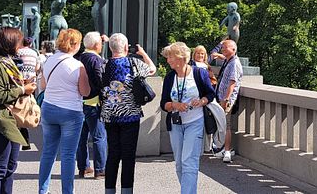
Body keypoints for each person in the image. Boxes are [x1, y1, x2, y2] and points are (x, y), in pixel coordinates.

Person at [101, 33, 156, 194]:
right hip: (130, 115)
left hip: (109, 115)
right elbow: (152, 69)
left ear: (110, 48)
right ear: (126, 47)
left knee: (112, 155)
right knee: (128, 156)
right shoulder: (134, 63)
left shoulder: (103, 65)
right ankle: (127, 191)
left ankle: (109, 190)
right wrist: (143, 53)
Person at [0, 27, 37, 194]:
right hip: (2, 121)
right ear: (9, 42)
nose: (20, 45)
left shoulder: (7, 61)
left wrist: (23, 84)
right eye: (18, 41)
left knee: (10, 167)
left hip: (12, 120)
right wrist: (22, 90)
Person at [38, 29, 90, 194]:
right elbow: (85, 91)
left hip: (49, 108)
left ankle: (42, 190)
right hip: (70, 112)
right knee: (68, 155)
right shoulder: (77, 65)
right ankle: (67, 191)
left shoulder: (48, 61)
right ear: (74, 44)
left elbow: (44, 86)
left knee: (48, 152)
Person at [161, 42, 215, 194]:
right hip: (175, 124)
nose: (168, 60)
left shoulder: (199, 73)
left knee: (189, 162)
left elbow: (210, 94)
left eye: (170, 57)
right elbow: (163, 103)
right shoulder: (170, 77)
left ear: (180, 58)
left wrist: (202, 101)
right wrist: (173, 105)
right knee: (179, 163)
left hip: (194, 122)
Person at [76, 32, 108, 179]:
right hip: (93, 102)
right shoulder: (96, 60)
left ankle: (83, 168)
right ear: (96, 45)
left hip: (79, 102)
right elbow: (100, 77)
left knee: (81, 138)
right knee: (99, 136)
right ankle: (100, 169)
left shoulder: (79, 57)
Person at [209, 39, 243, 163]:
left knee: (226, 125)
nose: (222, 49)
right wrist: (219, 54)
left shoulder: (234, 64)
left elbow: (232, 83)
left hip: (227, 99)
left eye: (225, 47)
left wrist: (226, 99)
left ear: (233, 50)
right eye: (222, 47)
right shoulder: (229, 60)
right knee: (222, 124)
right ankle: (223, 148)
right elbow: (223, 56)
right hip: (221, 97)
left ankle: (228, 151)